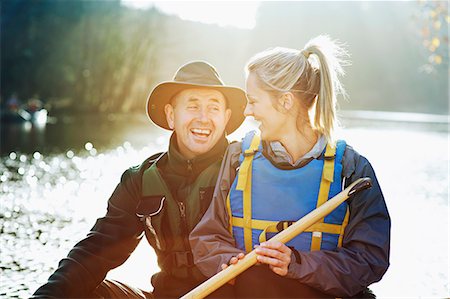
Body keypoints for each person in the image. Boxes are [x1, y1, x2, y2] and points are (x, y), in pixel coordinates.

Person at [190, 36, 391, 298]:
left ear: (285, 102)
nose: (247, 111)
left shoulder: (352, 169)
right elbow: (208, 236)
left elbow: (370, 259)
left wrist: (296, 264)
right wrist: (227, 261)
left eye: (253, 101)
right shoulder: (237, 157)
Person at [32, 61, 247, 298]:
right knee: (84, 292)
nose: (203, 118)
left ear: (226, 118)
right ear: (171, 115)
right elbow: (96, 251)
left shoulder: (246, 170)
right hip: (166, 295)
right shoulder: (140, 180)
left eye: (213, 108)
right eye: (193, 106)